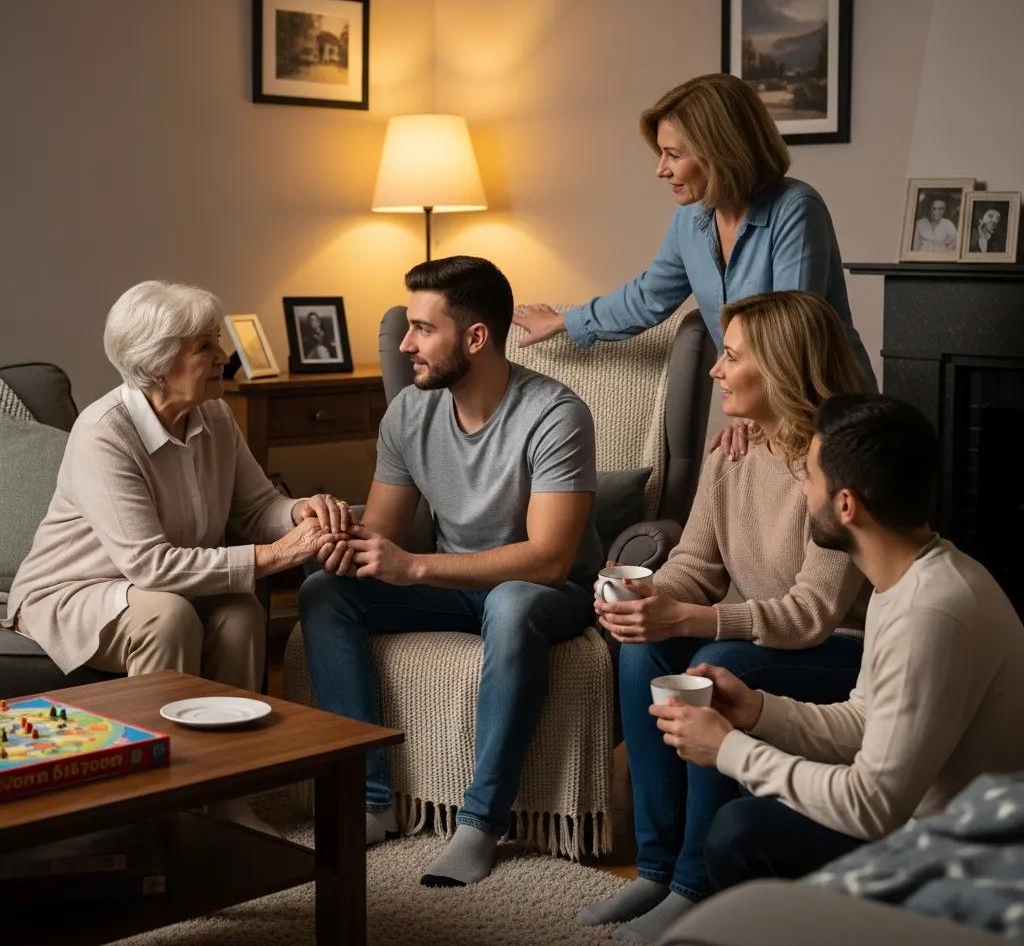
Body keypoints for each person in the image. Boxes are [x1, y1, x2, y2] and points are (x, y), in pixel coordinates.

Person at [298, 256, 603, 887]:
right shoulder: (410, 411)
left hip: (549, 590)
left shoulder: (555, 414)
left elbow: (549, 557)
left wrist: (412, 567)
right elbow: (382, 528)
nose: (405, 344)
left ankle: (480, 823)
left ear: (475, 338)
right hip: (453, 585)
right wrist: (339, 541)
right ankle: (369, 801)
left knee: (513, 603)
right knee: (327, 591)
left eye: (421, 328)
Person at [578, 290, 869, 944]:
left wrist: (693, 620)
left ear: (780, 368)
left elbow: (813, 613)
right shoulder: (733, 449)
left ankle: (694, 884)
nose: (715, 368)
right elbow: (696, 563)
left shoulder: (835, 464)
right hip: (764, 638)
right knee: (641, 648)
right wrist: (652, 600)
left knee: (716, 666)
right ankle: (656, 867)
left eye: (731, 356)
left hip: (843, 649)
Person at [4, 281, 346, 827]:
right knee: (168, 616)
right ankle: (164, 806)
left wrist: (304, 511)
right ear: (157, 364)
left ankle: (229, 796)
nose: (223, 356)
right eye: (205, 347)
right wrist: (275, 557)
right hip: (75, 591)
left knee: (238, 614)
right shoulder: (103, 434)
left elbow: (259, 507)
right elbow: (149, 566)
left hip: (168, 583)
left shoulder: (216, 418)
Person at [653, 394, 1024, 894]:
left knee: (740, 831)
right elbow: (866, 720)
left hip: (959, 855)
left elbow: (872, 806)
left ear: (845, 505)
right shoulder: (914, 578)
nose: (803, 491)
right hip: (919, 824)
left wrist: (726, 749)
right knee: (760, 780)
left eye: (808, 477)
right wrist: (756, 713)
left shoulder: (930, 613)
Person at [512, 72, 875, 457]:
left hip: (829, 414)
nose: (661, 169)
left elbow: (787, 333)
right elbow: (649, 295)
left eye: (674, 154)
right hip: (764, 414)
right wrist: (565, 322)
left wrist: (752, 416)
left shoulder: (797, 209)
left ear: (720, 150)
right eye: (661, 153)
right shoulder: (691, 220)